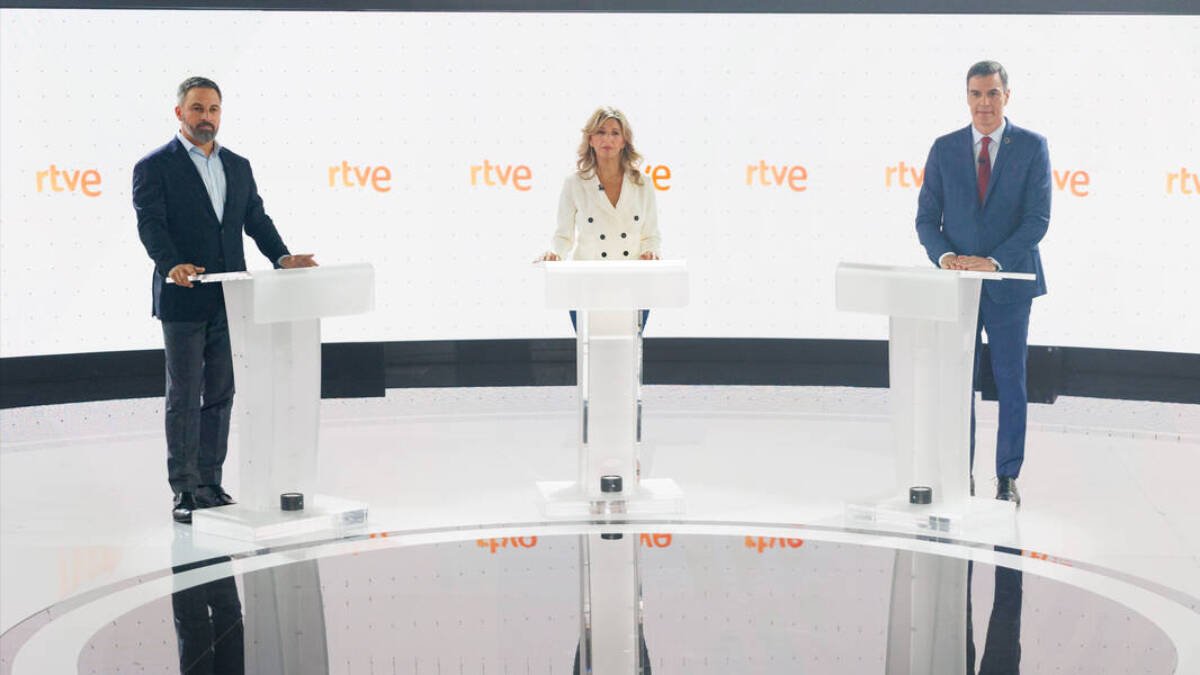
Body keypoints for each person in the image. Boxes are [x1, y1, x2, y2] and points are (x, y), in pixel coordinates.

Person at [134, 76, 318, 524]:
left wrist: (282, 255)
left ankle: (210, 483)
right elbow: (151, 224)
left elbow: (254, 216)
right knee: (184, 395)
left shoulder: (237, 165)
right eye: (197, 109)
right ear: (180, 113)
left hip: (231, 298)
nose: (206, 118)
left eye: (213, 109)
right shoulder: (154, 166)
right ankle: (184, 489)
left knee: (220, 392)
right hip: (184, 297)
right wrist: (171, 264)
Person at [915, 61, 1051, 506]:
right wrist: (948, 258)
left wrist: (993, 262)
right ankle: (961, 473)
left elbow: (1037, 221)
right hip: (956, 289)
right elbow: (925, 220)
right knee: (959, 383)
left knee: (1011, 381)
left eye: (992, 94)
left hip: (1009, 286)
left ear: (1007, 96)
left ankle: (1006, 477)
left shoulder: (1032, 147)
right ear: (967, 97)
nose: (984, 104)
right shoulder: (944, 148)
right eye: (976, 94)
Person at [539, 107, 662, 329]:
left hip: (632, 283)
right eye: (601, 132)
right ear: (591, 140)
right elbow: (563, 235)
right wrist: (555, 253)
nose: (608, 139)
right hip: (586, 283)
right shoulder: (575, 184)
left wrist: (650, 252)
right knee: (590, 353)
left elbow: (651, 234)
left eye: (615, 133)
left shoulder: (642, 184)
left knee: (629, 354)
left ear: (624, 141)